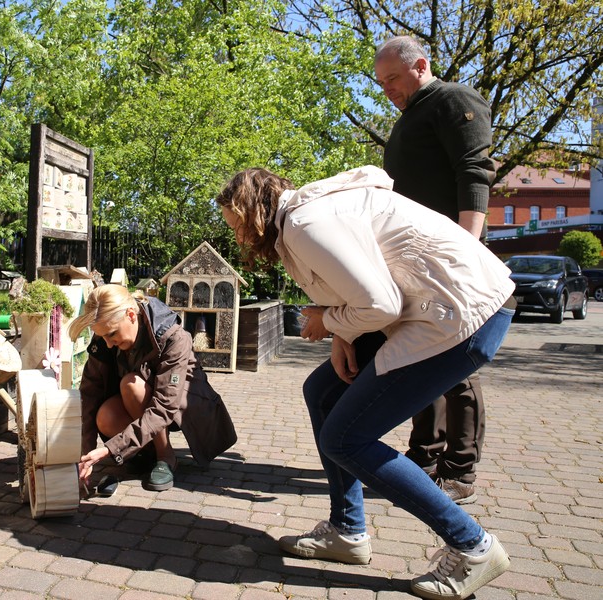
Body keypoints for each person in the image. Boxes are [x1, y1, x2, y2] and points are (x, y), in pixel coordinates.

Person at [217, 165, 515, 600]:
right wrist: (342, 332)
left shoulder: (304, 223)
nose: (240, 238)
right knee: (321, 392)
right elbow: (366, 286)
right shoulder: (304, 217)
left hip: (464, 318)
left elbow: (380, 303)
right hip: (436, 310)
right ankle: (346, 531)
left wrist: (328, 320)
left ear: (255, 210)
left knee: (347, 439)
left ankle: (473, 546)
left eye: (239, 226)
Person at [374, 35, 497, 504]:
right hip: (419, 261)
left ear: (420, 65)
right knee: (419, 356)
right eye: (381, 82)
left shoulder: (454, 100)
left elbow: (473, 171)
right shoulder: (410, 118)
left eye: (393, 79)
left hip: (452, 260)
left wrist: (467, 249)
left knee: (456, 365)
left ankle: (459, 468)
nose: (387, 89)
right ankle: (423, 455)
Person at [68, 284, 236, 493]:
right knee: (106, 416)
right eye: (103, 337)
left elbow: (164, 406)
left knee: (131, 385)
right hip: (143, 406)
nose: (108, 344)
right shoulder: (105, 338)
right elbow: (89, 395)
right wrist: (84, 455)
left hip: (179, 408)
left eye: (111, 334)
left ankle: (165, 456)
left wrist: (111, 449)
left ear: (130, 314)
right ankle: (144, 454)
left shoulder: (174, 337)